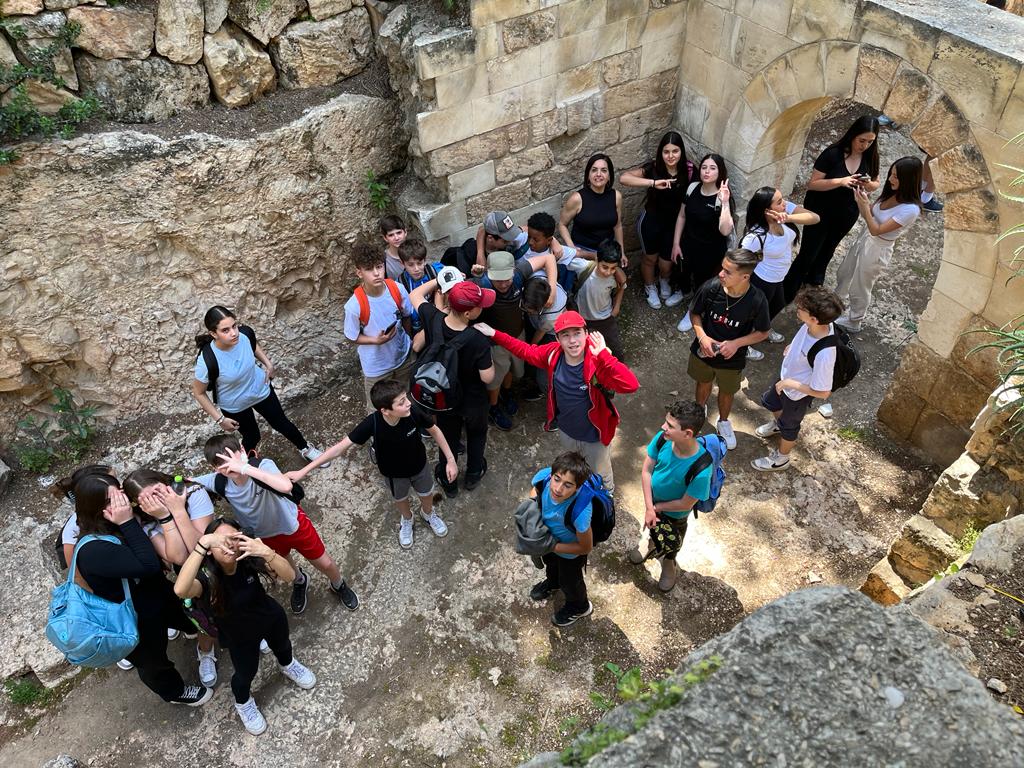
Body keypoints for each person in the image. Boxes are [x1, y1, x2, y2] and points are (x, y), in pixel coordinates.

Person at [72, 474, 212, 706]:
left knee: (189, 618)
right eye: (112, 500)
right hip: (133, 618)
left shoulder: (113, 523)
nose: (122, 501)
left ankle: (195, 633)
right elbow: (148, 565)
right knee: (153, 661)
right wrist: (128, 522)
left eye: (120, 492)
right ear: (97, 509)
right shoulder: (94, 549)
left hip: (157, 594)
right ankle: (175, 692)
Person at [173, 517, 316, 735]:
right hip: (238, 634)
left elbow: (289, 576)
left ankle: (288, 665)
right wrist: (203, 544)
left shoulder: (249, 559)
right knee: (245, 673)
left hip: (269, 616)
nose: (228, 546)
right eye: (220, 541)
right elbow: (181, 590)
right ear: (210, 549)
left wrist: (266, 552)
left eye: (233, 539)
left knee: (283, 646)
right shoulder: (206, 578)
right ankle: (243, 702)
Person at [193, 434, 359, 614]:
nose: (229, 465)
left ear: (242, 450)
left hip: (293, 525)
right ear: (215, 468)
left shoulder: (262, 466)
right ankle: (300, 580)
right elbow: (185, 483)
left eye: (232, 456)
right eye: (221, 463)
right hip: (264, 536)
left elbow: (286, 486)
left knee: (325, 563)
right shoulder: (218, 481)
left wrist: (244, 467)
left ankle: (338, 584)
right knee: (284, 563)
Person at [474, 311, 639, 491]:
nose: (572, 341)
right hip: (566, 430)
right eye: (565, 335)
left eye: (577, 333)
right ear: (558, 339)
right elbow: (525, 350)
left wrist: (605, 356)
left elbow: (631, 385)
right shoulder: (553, 353)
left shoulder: (596, 360)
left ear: (586, 333)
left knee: (600, 472)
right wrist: (494, 334)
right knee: (573, 467)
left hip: (594, 436)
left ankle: (607, 494)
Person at [286, 380, 457, 550]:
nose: (408, 403)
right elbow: (339, 448)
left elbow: (435, 430)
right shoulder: (372, 423)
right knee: (400, 499)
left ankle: (428, 513)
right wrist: (303, 471)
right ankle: (407, 519)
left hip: (419, 466)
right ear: (385, 410)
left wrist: (450, 460)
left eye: (405, 398)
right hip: (393, 474)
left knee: (426, 493)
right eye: (401, 402)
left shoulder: (412, 412)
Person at [122, 469, 219, 686]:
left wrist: (179, 510)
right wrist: (166, 517)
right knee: (203, 612)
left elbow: (202, 548)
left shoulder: (193, 493)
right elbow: (179, 556)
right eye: (148, 499)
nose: (158, 501)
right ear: (140, 504)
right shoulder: (147, 520)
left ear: (165, 481)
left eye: (158, 491)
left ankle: (248, 632)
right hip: (189, 573)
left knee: (235, 596)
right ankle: (205, 650)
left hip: (218, 559)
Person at [192, 306, 326, 463]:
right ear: (214, 334)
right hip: (235, 404)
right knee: (252, 436)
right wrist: (220, 419)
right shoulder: (207, 361)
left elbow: (253, 345)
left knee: (281, 423)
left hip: (259, 388)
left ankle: (305, 448)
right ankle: (247, 465)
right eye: (225, 330)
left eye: (234, 326)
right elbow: (198, 393)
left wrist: (268, 364)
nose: (234, 333)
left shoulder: (244, 335)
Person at [408, 279, 496, 497]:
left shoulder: (433, 318)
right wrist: (491, 360)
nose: (482, 307)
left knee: (448, 437)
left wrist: (439, 279)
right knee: (477, 434)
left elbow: (415, 295)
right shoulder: (478, 339)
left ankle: (448, 481)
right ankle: (474, 473)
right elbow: (487, 377)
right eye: (479, 305)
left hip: (444, 399)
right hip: (474, 401)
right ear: (468, 313)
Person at [784, 115, 881, 303]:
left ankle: (814, 282)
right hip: (820, 212)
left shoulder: (870, 156)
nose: (865, 146)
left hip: (846, 213)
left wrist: (869, 185)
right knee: (808, 252)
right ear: (853, 135)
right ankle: (789, 289)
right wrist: (841, 181)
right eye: (862, 140)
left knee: (828, 249)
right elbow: (813, 184)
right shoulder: (832, 154)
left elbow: (876, 181)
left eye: (870, 142)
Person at [752, 286, 843, 472]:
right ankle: (778, 425)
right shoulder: (813, 325)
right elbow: (803, 341)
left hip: (797, 394)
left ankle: (782, 458)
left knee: (790, 426)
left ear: (814, 319)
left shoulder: (825, 353)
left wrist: (789, 383)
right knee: (772, 402)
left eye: (801, 308)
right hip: (786, 377)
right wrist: (792, 347)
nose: (797, 309)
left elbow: (823, 392)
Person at [688, 249, 771, 450]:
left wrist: (736, 344)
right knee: (703, 382)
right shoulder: (711, 287)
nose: (720, 274)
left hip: (732, 359)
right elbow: (695, 313)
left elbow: (763, 332)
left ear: (745, 277)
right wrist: (702, 337)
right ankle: (699, 411)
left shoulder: (757, 300)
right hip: (704, 352)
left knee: (727, 391)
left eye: (727, 272)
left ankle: (723, 421)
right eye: (722, 268)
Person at [627, 400, 713, 592]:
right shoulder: (663, 439)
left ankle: (669, 561)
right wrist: (649, 507)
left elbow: (685, 503)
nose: (663, 427)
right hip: (653, 504)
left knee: (673, 539)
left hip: (675, 515)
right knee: (653, 525)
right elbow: (647, 470)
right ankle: (651, 542)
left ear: (687, 433)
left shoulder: (702, 468)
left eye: (670, 425)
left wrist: (655, 508)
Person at [833, 156, 923, 333]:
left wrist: (865, 206)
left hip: (878, 248)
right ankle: (836, 303)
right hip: (865, 238)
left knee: (861, 286)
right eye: (891, 174)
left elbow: (876, 229)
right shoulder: (891, 193)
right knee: (845, 271)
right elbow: (869, 216)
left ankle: (854, 320)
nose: (890, 179)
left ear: (908, 180)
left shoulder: (910, 210)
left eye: (896, 176)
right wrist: (861, 198)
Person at [471, 249, 558, 430]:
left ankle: (507, 392)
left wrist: (552, 291)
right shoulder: (481, 284)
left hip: (518, 335)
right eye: (498, 280)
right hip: (495, 342)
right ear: (489, 273)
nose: (503, 284)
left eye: (507, 279)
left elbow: (549, 258)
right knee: (495, 378)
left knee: (513, 369)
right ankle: (493, 406)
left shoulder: (519, 274)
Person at [739, 187, 821, 357]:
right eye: (779, 202)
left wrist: (788, 217)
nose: (784, 203)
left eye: (782, 199)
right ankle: (743, 345)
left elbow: (815, 218)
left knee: (777, 304)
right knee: (753, 314)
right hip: (763, 280)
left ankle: (764, 329)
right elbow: (740, 260)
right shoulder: (756, 235)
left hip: (779, 278)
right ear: (767, 210)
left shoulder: (784, 212)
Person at [621, 131, 697, 309]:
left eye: (675, 151)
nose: (670, 156)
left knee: (666, 263)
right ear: (661, 152)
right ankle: (650, 286)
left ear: (681, 151)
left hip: (674, 224)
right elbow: (624, 178)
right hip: (651, 221)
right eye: (666, 151)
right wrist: (653, 183)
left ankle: (664, 280)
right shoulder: (654, 168)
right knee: (650, 259)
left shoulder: (689, 170)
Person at [343, 241, 416, 412]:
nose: (376, 273)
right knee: (377, 409)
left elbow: (407, 315)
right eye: (369, 269)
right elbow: (351, 336)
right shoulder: (354, 306)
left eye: (379, 266)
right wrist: (375, 340)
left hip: (403, 357)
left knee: (406, 398)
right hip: (377, 366)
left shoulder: (396, 289)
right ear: (359, 273)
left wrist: (408, 339)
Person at [527, 451, 595, 627]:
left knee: (571, 582)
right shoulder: (545, 478)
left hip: (570, 554)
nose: (558, 489)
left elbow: (585, 547)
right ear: (552, 474)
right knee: (551, 566)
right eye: (557, 479)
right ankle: (553, 583)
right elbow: (535, 489)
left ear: (577, 487)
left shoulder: (581, 513)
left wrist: (552, 546)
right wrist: (533, 506)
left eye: (568, 485)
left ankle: (580, 606)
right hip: (549, 541)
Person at [672, 153, 736, 333]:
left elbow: (725, 230)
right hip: (688, 244)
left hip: (710, 251)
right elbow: (682, 216)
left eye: (712, 168)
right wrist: (676, 243)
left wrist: (724, 203)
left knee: (702, 282)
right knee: (683, 271)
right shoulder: (692, 187)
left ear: (720, 172)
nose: (707, 171)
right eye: (704, 167)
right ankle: (683, 292)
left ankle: (693, 310)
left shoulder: (721, 198)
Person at [558, 153, 627, 265]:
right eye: (594, 170)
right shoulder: (577, 198)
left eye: (604, 170)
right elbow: (562, 225)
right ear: (588, 175)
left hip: (607, 253)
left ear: (609, 176)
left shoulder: (616, 196)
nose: (598, 174)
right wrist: (572, 248)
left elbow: (617, 225)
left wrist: (621, 252)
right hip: (582, 253)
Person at [575, 239, 627, 361]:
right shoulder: (584, 268)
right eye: (605, 267)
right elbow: (563, 253)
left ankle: (619, 369)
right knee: (586, 350)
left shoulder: (615, 277)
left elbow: (622, 286)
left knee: (615, 349)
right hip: (583, 318)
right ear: (597, 260)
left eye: (613, 268)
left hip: (605, 318)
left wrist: (616, 307)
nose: (608, 272)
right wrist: (586, 254)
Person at [396, 238, 444, 337]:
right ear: (402, 263)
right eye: (411, 265)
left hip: (436, 319)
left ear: (425, 260)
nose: (416, 269)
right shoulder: (400, 283)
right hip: (415, 326)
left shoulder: (435, 271)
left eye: (419, 263)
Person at [379, 214, 408, 281]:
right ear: (385, 238)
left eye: (399, 233)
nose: (396, 238)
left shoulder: (417, 250)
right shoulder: (383, 260)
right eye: (391, 235)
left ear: (405, 232)